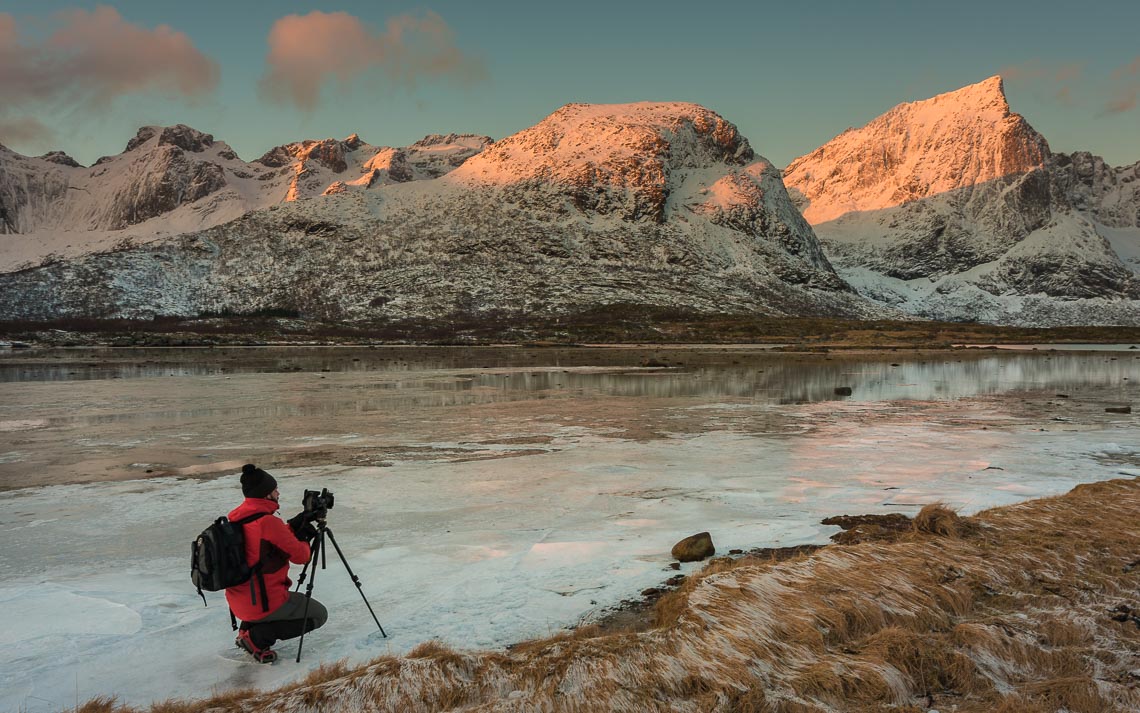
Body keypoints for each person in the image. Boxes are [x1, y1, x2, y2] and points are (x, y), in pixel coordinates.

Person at [226, 463, 328, 663]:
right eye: (274, 490)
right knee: (318, 615)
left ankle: (246, 631)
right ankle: (256, 638)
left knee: (257, 583)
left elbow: (263, 545)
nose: (278, 493)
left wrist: (295, 525)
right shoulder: (268, 522)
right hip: (264, 602)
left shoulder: (237, 519)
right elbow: (301, 556)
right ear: (265, 495)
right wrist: (305, 538)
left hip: (240, 602)